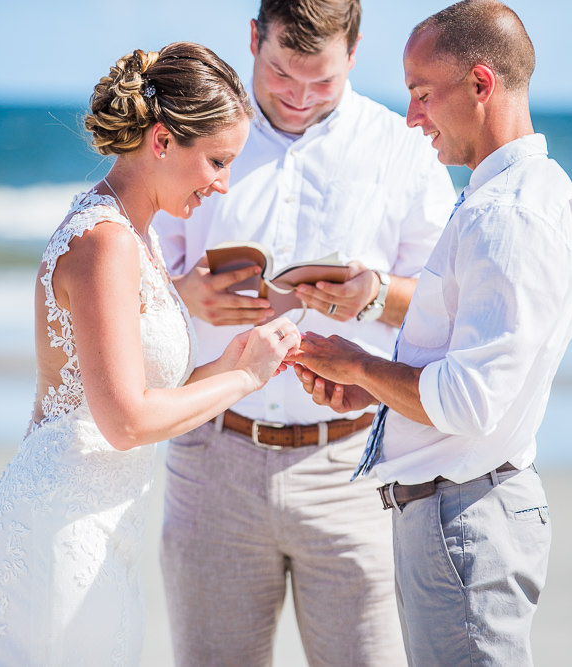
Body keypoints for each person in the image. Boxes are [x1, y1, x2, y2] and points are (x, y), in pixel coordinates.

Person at [0, 42, 301, 666]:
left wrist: (231, 363)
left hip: (106, 525)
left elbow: (139, 392)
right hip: (61, 528)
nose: (223, 185)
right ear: (162, 140)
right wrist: (243, 378)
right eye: (217, 161)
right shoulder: (105, 243)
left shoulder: (136, 236)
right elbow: (125, 420)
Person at [292, 1, 572, 665]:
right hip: (467, 510)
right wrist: (372, 393)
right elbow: (477, 377)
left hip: (462, 522)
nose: (412, 118)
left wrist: (362, 365)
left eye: (423, 94)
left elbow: (468, 400)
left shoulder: (506, 215)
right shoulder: (532, 192)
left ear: (481, 84)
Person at [153, 1, 455, 665]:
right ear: (255, 39)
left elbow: (447, 308)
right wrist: (184, 293)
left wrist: (374, 295)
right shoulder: (193, 139)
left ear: (354, 52)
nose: (298, 97)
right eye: (283, 74)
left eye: (322, 81)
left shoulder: (402, 147)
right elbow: (132, 279)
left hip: (351, 469)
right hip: (212, 459)